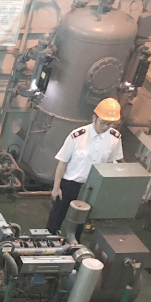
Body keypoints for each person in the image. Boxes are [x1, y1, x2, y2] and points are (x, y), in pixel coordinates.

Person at [46, 97, 124, 234]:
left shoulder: (114, 138)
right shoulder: (77, 136)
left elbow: (111, 164)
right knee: (57, 215)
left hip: (92, 187)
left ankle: (75, 242)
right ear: (94, 118)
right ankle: (47, 239)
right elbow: (62, 162)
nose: (106, 127)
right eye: (103, 123)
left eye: (111, 124)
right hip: (70, 184)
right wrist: (56, 187)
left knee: (81, 220)